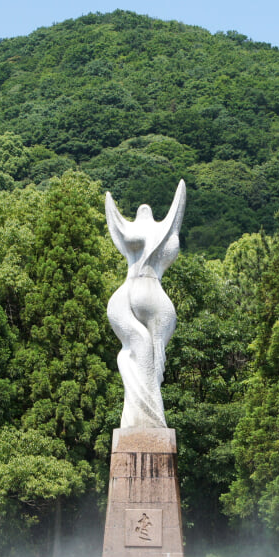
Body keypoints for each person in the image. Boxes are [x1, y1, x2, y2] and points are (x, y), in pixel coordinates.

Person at [105, 180, 186, 428]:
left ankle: (146, 420)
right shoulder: (161, 229)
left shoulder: (134, 230)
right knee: (138, 351)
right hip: (138, 295)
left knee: (149, 356)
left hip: (141, 293)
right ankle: (143, 419)